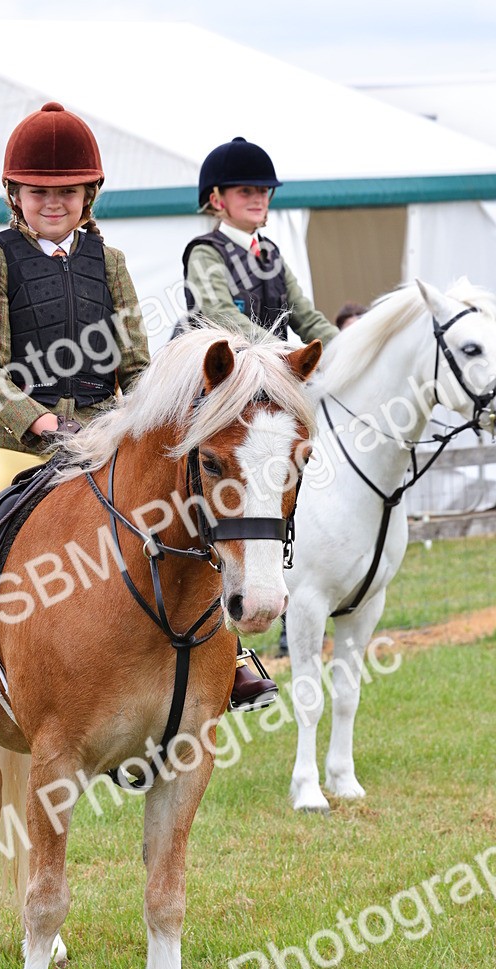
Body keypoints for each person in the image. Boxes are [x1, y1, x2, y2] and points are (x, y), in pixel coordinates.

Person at [0, 102, 150, 740]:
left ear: (88, 194)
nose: (53, 203)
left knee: (187, 511)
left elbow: (138, 362)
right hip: (17, 442)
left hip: (102, 434)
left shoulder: (111, 262)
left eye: (67, 192)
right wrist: (40, 423)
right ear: (14, 193)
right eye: (39, 191)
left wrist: (143, 419)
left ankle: (228, 659)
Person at [182, 136, 340, 705]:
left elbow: (308, 313)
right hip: (217, 394)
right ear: (217, 199)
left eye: (264, 191)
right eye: (246, 190)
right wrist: (279, 363)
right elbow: (222, 316)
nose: (258, 198)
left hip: (269, 397)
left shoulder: (270, 252)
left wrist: (343, 353)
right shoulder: (204, 251)